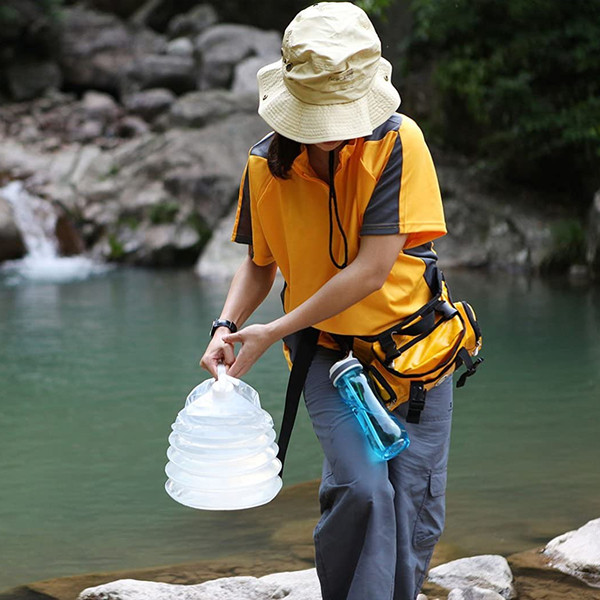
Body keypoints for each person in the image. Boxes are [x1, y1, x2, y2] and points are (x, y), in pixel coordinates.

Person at [200, 3, 452, 599]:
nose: (337, 128)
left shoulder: (395, 143)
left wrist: (271, 330)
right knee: (363, 492)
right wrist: (228, 324)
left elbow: (371, 270)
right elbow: (260, 263)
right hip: (328, 354)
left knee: (414, 505)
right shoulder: (266, 163)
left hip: (415, 351)